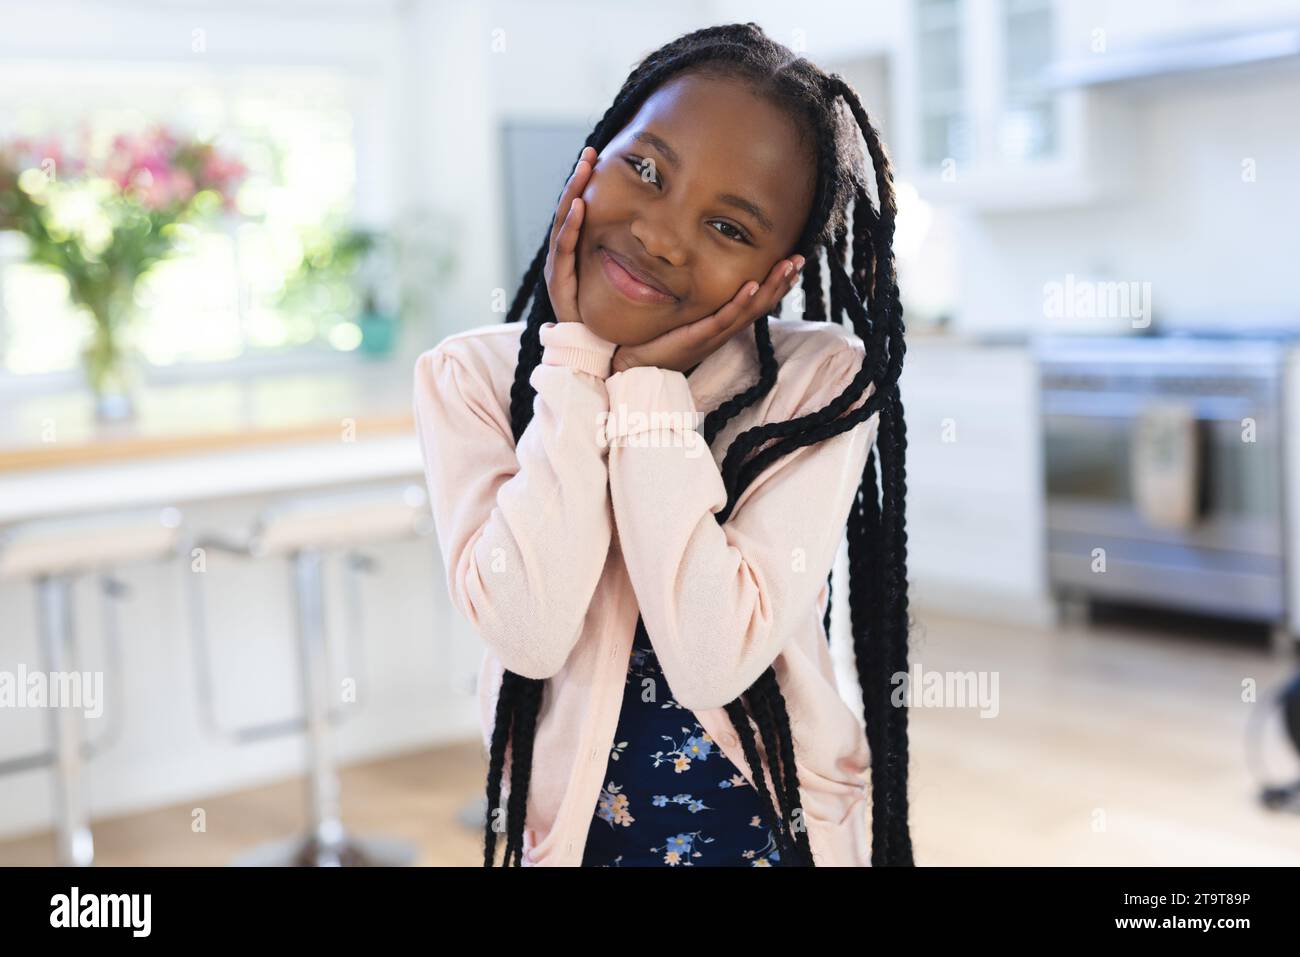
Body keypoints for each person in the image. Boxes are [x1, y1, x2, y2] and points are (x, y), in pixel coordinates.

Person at [413, 22, 913, 867]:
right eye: (644, 170)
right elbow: (529, 631)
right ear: (591, 157)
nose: (663, 235)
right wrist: (575, 365)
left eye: (730, 228)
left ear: (779, 277)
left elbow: (714, 658)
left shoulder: (817, 384)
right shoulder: (471, 378)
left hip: (773, 836)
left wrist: (648, 392)